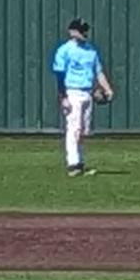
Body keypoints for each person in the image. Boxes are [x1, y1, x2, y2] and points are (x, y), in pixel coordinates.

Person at [49, 18, 115, 176]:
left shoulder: (91, 51)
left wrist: (107, 89)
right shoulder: (65, 50)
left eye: (85, 30)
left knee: (83, 131)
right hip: (72, 92)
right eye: (81, 30)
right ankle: (73, 164)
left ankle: (79, 163)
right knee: (74, 129)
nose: (84, 32)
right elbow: (60, 74)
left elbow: (98, 72)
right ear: (72, 32)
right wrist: (63, 97)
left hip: (87, 93)